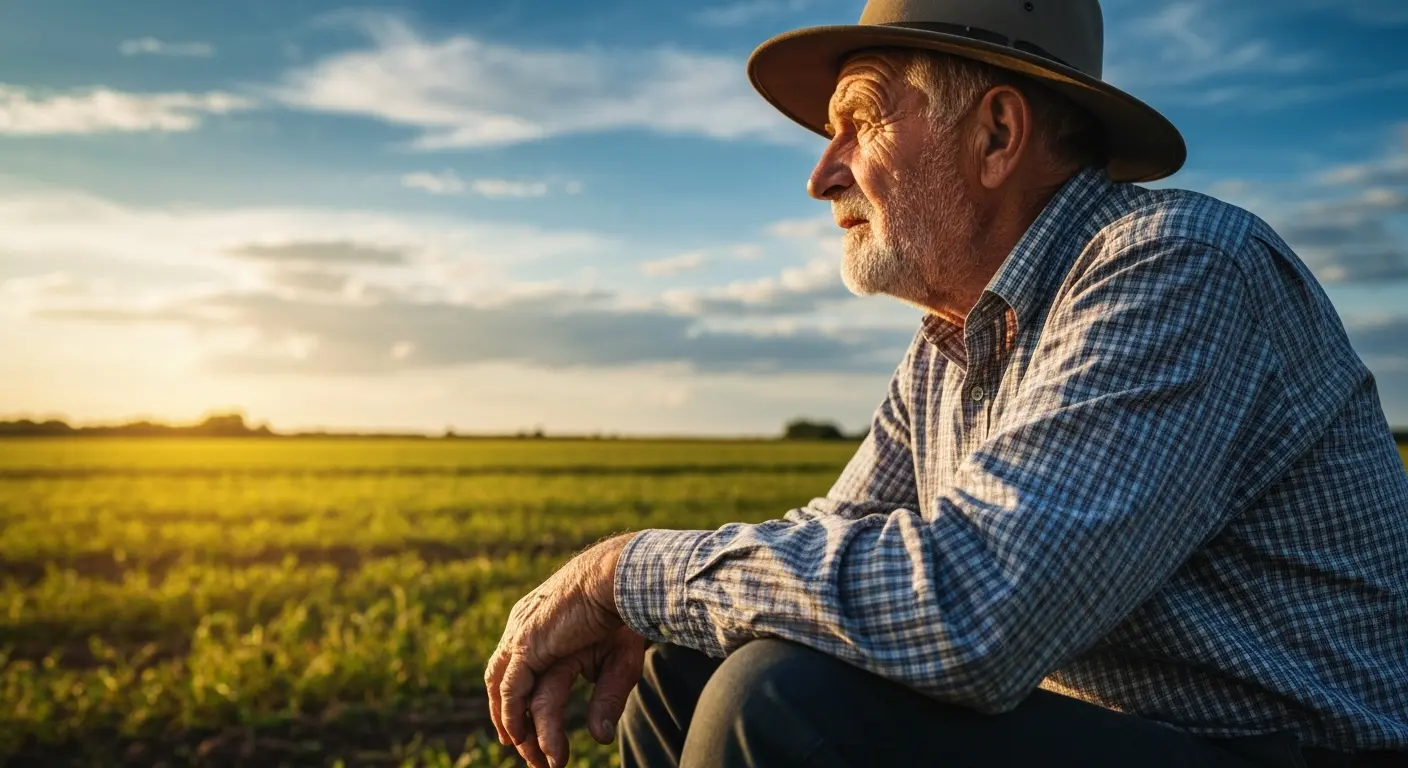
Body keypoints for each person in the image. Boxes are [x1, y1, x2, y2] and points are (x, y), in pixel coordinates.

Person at [484, 0, 1408, 765]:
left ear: (996, 134)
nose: (820, 174)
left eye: (859, 122)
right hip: (1120, 740)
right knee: (686, 666)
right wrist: (662, 595)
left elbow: (975, 607)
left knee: (781, 703)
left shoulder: (1181, 267)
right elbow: (838, 534)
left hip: (1288, 751)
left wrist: (627, 571)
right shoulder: (954, 342)